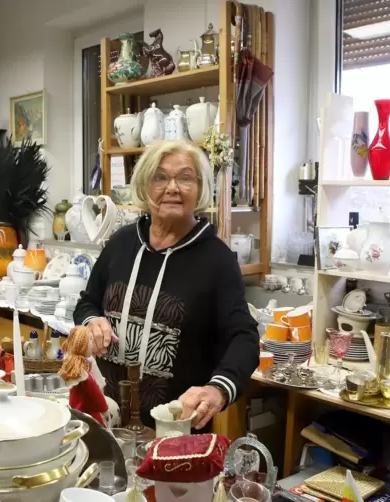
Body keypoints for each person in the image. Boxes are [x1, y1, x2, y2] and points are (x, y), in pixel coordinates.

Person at [74, 140, 259, 430]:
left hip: (175, 429)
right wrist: (92, 320)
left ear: (199, 188)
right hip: (105, 418)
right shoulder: (121, 244)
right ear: (145, 186)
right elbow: (87, 302)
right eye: (160, 177)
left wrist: (216, 391)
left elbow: (244, 337)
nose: (172, 187)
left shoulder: (217, 260)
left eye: (185, 177)